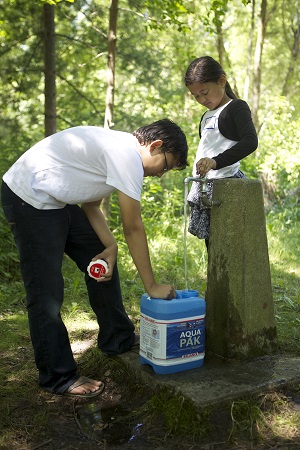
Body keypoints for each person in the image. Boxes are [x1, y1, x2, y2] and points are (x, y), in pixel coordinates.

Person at [1, 119, 188, 398]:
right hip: (29, 198)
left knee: (99, 260)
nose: (161, 174)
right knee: (46, 292)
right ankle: (58, 376)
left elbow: (90, 203)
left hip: (58, 200)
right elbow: (133, 227)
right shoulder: (126, 157)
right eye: (166, 166)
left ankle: (117, 338)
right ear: (155, 146)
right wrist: (152, 286)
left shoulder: (120, 150)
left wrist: (109, 246)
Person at [184, 56, 258, 250]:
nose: (201, 99)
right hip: (207, 186)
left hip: (226, 184)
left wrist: (215, 162)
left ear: (222, 81)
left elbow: (250, 141)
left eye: (204, 92)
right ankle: (216, 281)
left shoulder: (235, 107)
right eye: (196, 96)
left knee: (228, 245)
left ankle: (232, 281)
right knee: (213, 246)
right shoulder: (206, 116)